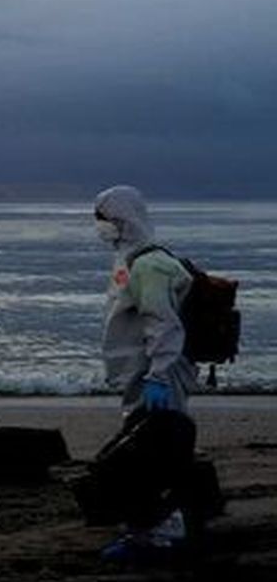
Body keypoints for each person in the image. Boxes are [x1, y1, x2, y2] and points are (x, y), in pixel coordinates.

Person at [93, 184, 197, 560]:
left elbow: (163, 324)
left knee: (156, 453)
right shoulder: (136, 259)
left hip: (156, 373)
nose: (100, 227)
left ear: (122, 218)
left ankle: (159, 534)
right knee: (156, 451)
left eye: (104, 219)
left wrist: (158, 374)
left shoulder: (149, 265)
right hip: (145, 371)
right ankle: (157, 525)